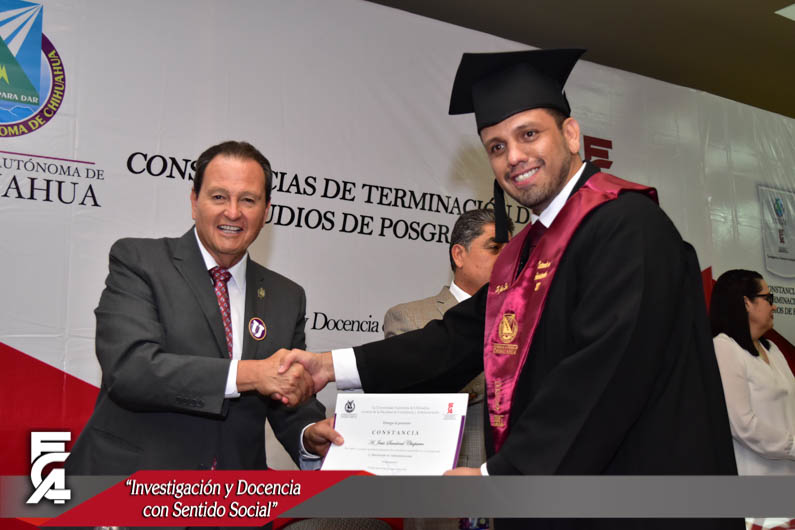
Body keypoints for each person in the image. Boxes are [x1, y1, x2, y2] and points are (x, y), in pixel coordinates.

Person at [278, 49, 740, 530]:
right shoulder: (526, 253)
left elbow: (604, 378)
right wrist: (329, 366)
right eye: (496, 146)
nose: (513, 156)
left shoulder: (628, 227)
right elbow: (454, 342)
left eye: (529, 134)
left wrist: (498, 478)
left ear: (572, 134)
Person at [67, 141, 338, 474]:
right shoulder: (140, 262)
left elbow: (288, 396)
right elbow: (130, 369)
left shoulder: (287, 296)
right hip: (133, 484)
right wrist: (252, 374)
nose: (233, 212)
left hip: (235, 495)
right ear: (195, 202)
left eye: (248, 200)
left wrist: (308, 435)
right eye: (219, 196)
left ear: (266, 211)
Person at [384, 208, 512, 530]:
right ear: (459, 254)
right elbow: (410, 400)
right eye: (494, 248)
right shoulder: (410, 318)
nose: (506, 260)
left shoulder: (523, 321)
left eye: (510, 251)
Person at [710, 269, 795, 475]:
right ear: (747, 303)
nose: (774, 306)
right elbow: (742, 425)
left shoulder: (772, 349)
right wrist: (792, 446)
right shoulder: (724, 347)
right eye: (768, 299)